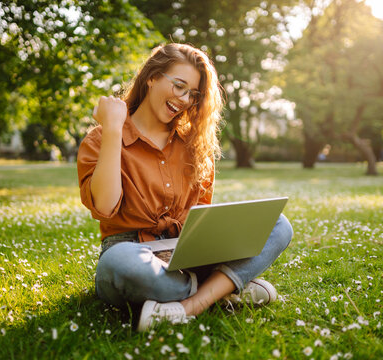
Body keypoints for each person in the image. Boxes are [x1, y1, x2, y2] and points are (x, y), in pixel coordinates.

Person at [77, 43, 293, 331]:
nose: (184, 99)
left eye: (193, 94)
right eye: (179, 86)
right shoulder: (101, 138)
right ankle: (223, 290)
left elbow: (200, 216)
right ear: (152, 77)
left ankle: (189, 306)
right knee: (120, 263)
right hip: (132, 253)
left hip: (186, 253)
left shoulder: (194, 144)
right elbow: (104, 206)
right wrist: (114, 129)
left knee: (278, 225)